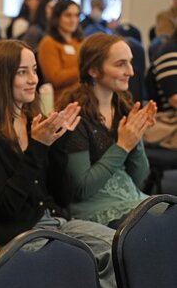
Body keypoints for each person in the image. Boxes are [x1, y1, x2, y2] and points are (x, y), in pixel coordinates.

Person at [0, 39, 118, 288]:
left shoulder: (33, 123)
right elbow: (8, 208)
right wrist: (39, 147)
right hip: (16, 233)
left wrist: (58, 144)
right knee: (79, 263)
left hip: (54, 221)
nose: (33, 79)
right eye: (22, 72)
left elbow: (62, 196)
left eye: (34, 70)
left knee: (120, 246)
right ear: (1, 78)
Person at [58, 33, 156, 228]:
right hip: (92, 209)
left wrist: (136, 138)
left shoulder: (123, 105)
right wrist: (122, 146)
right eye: (120, 64)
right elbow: (82, 189)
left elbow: (139, 178)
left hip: (129, 197)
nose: (130, 72)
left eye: (130, 63)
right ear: (93, 70)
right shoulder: (75, 115)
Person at [38, 0, 83, 104]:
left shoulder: (79, 41)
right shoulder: (48, 43)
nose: (73, 20)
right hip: (61, 101)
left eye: (76, 15)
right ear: (57, 18)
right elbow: (55, 78)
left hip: (82, 98)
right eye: (68, 15)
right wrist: (84, 68)